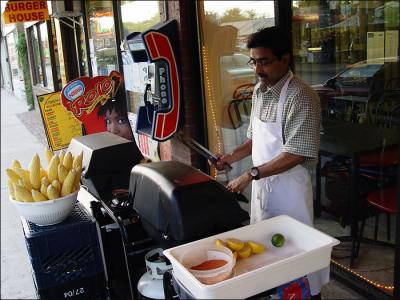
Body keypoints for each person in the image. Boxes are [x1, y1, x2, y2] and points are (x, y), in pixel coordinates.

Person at [215, 27, 326, 299]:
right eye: (253, 61)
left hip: (290, 192)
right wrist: (231, 158)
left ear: (285, 59)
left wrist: (249, 176)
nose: (257, 69)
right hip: (263, 188)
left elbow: (296, 153)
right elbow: (254, 139)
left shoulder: (302, 97)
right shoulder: (259, 92)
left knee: (296, 258)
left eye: (264, 61)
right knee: (265, 253)